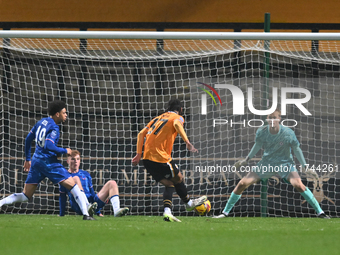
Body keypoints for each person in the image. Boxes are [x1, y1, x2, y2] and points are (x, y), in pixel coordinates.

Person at [213, 109, 330, 219]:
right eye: (270, 118)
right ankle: (225, 212)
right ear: (267, 119)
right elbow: (257, 145)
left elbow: (297, 149)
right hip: (267, 163)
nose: (272, 120)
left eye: (274, 117)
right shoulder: (262, 132)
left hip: (285, 164)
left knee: (299, 185)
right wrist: (246, 160)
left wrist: (305, 167)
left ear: (279, 118)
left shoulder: (288, 133)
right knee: (242, 183)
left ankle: (320, 212)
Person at [0, 100, 96, 220]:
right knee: (73, 185)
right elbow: (48, 146)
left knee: (26, 195)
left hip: (36, 161)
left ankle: (1, 203)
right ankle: (86, 214)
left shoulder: (41, 122)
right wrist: (64, 151)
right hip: (48, 162)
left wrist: (28, 159)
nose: (66, 115)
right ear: (57, 114)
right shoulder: (54, 128)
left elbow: (28, 139)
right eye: (64, 112)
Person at [132, 99, 207, 222]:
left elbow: (141, 134)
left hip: (146, 158)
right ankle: (188, 203)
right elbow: (177, 125)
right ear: (181, 110)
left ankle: (168, 212)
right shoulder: (177, 117)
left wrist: (138, 154)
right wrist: (187, 141)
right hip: (160, 157)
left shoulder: (157, 118)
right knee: (179, 178)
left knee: (169, 183)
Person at [59, 150, 129, 217]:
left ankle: (116, 210)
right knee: (76, 178)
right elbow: (62, 196)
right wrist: (61, 214)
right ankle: (86, 206)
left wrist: (97, 211)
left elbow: (92, 192)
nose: (76, 162)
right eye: (73, 159)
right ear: (68, 161)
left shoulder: (85, 174)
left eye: (78, 159)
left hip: (91, 202)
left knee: (112, 183)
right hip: (78, 205)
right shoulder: (64, 177)